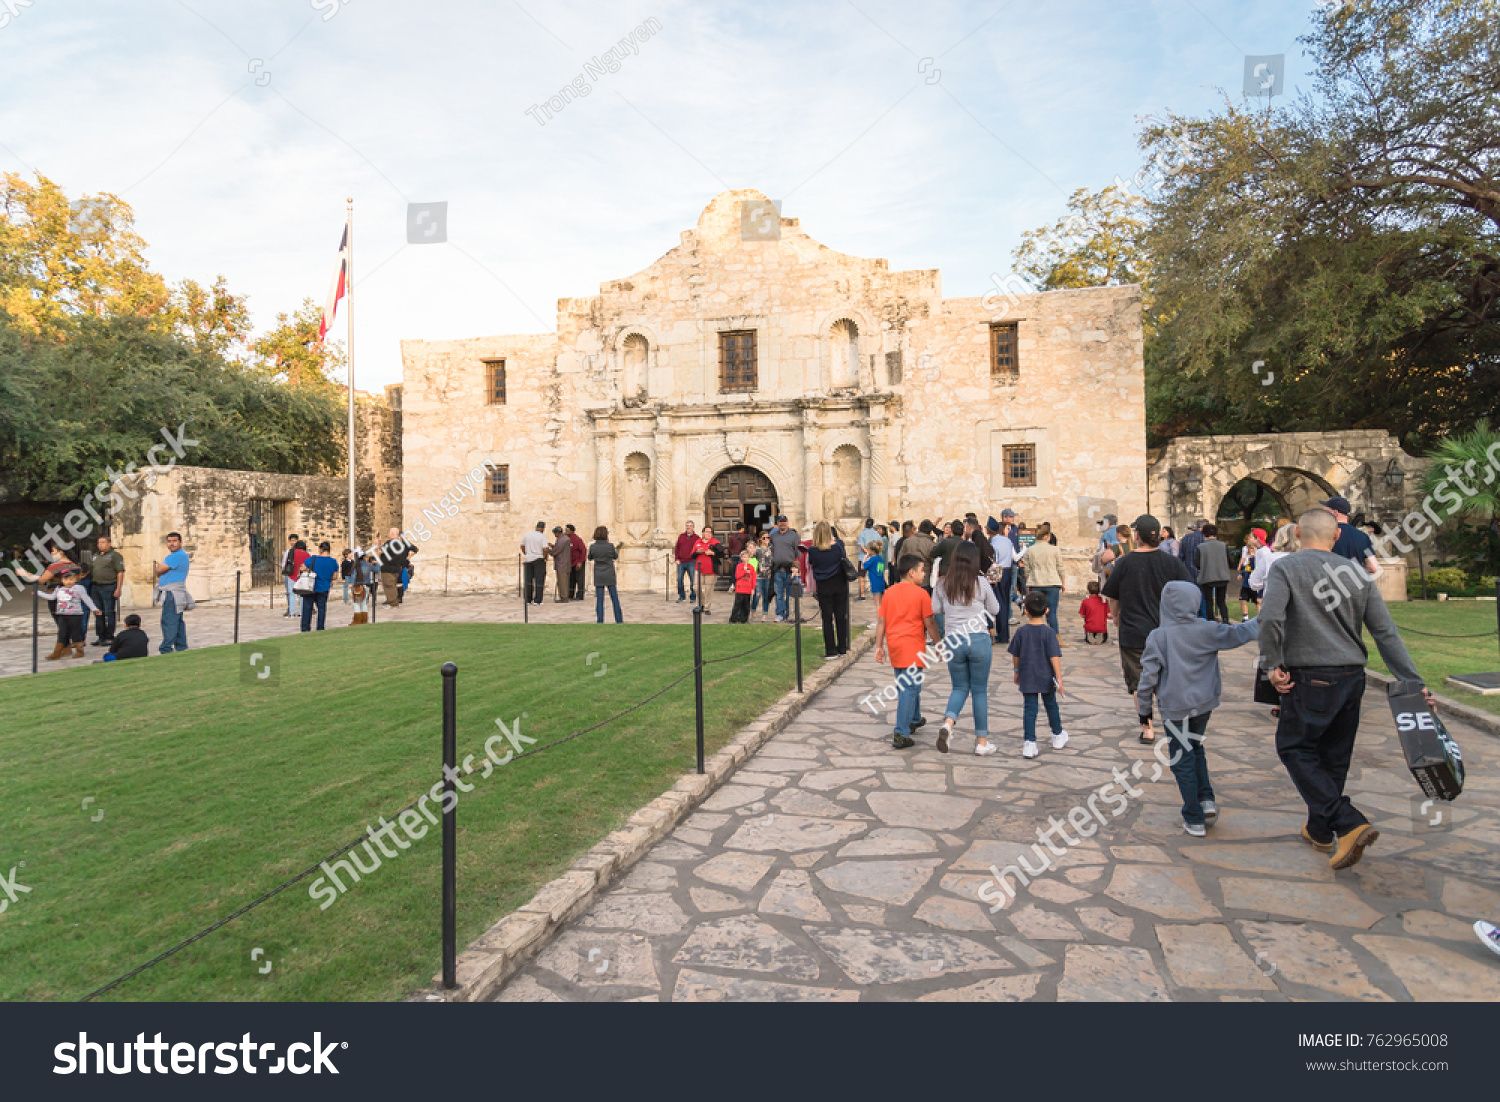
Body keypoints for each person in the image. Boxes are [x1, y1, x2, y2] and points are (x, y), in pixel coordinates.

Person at [1258, 507, 1429, 870]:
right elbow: (1385, 632)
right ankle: (1320, 830)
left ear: (1298, 536)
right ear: (1336, 536)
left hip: (1310, 677)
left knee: (1294, 747)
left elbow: (1270, 618)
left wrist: (1272, 664)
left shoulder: (1286, 568)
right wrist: (1412, 681)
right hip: (1351, 677)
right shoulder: (1355, 571)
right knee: (1334, 756)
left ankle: (1347, 822)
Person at [1136, 580, 1260, 837]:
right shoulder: (1208, 629)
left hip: (1175, 707)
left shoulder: (1159, 636)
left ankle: (1193, 817)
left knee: (1182, 759)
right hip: (1204, 704)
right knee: (1196, 747)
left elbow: (1147, 678)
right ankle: (1206, 800)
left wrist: (1144, 712)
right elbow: (1240, 633)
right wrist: (1267, 616)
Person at [1101, 514, 1192, 741]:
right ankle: (1173, 723)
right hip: (1167, 632)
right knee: (1166, 679)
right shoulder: (1172, 563)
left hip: (1133, 631)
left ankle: (1147, 728)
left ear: (1138, 536)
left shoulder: (1124, 563)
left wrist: (1116, 617)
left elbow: (1113, 596)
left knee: (1138, 682)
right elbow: (1189, 592)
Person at [932, 543, 1001, 756]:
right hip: (978, 638)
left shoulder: (943, 584)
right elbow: (995, 609)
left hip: (954, 640)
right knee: (979, 690)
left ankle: (948, 724)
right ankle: (981, 742)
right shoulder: (980, 582)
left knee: (959, 687)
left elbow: (935, 610)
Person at [873, 555, 940, 750]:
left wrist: (879, 646)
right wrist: (939, 643)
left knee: (909, 685)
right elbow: (930, 622)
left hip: (895, 646)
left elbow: (881, 622)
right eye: (921, 570)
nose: (924, 573)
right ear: (911, 572)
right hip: (913, 647)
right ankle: (901, 732)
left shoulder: (889, 593)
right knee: (909, 689)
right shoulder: (921, 595)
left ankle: (915, 718)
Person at [1008, 589, 1069, 758]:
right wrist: (1059, 678)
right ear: (1046, 610)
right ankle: (1057, 735)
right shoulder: (1049, 633)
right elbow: (1054, 657)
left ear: (1025, 610)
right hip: (1046, 677)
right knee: (1051, 706)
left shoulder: (1021, 632)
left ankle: (1029, 743)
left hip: (1027, 675)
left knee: (1030, 709)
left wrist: (1016, 671)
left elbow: (1016, 655)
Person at [806, 520, 852, 656]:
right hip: (839, 584)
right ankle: (842, 647)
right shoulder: (838, 546)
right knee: (840, 616)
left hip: (823, 586)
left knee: (827, 619)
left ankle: (830, 650)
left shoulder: (813, 551)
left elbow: (812, 564)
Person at [38, 565, 98, 659]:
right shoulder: (59, 589)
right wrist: (38, 593)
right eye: (66, 580)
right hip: (62, 615)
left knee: (76, 633)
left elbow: (87, 599)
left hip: (75, 615)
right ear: (62, 580)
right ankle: (57, 653)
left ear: (75, 580)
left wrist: (94, 609)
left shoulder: (79, 588)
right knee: (62, 633)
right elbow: (52, 597)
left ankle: (79, 651)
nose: (69, 582)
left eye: (71, 579)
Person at [1020, 521, 1063, 635]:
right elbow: (1060, 568)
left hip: (1036, 583)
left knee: (1034, 611)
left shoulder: (1030, 550)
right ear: (1046, 536)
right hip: (1052, 582)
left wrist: (1029, 580)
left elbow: (1027, 569)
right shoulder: (1055, 549)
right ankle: (1055, 636)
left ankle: (1035, 635)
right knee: (1052, 612)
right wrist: (1063, 582)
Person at [154, 531, 192, 654]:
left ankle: (166, 648)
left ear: (180, 542)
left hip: (172, 593)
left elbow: (159, 570)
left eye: (175, 541)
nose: (172, 544)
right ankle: (181, 647)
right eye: (169, 541)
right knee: (178, 621)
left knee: (169, 620)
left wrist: (159, 569)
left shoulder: (176, 556)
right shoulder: (177, 556)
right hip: (175, 593)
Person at [1323, 495, 1379, 576]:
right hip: (1355, 585)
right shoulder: (1363, 537)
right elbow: (1373, 567)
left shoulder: (1323, 535)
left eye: (1326, 511)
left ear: (1335, 513)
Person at [86, 535, 124, 645]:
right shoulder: (95, 556)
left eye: (103, 542)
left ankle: (109, 637)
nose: (100, 545)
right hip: (96, 587)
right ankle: (100, 636)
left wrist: (118, 588)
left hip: (109, 586)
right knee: (98, 612)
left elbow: (120, 572)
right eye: (99, 543)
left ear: (109, 543)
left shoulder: (115, 556)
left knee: (109, 612)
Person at [986, 516, 1017, 643]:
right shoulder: (1007, 541)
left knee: (997, 603)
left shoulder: (992, 542)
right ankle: (1004, 634)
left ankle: (999, 633)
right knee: (1005, 602)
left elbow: (994, 560)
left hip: (997, 571)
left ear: (989, 530)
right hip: (1008, 571)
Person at [1195, 523, 1233, 623]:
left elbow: (1197, 564)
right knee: (1221, 601)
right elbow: (1230, 561)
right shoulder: (1223, 545)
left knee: (1209, 601)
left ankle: (1211, 621)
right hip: (1222, 576)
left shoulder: (1200, 547)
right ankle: (1225, 619)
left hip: (1207, 577)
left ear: (1204, 534)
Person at [299, 541, 340, 631]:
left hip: (310, 587)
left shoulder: (313, 559)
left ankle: (305, 628)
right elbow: (335, 576)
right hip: (324, 588)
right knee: (321, 609)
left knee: (307, 608)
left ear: (321, 549)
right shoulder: (333, 562)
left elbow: (302, 568)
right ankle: (320, 627)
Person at [768, 514, 802, 622]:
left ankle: (787, 614)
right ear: (777, 523)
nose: (782, 523)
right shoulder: (773, 536)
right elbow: (770, 550)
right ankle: (780, 614)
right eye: (780, 521)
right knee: (779, 594)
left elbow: (798, 553)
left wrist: (796, 567)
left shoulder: (794, 536)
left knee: (788, 594)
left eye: (784, 521)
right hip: (777, 569)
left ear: (787, 522)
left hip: (789, 569)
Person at [588, 526, 623, 624]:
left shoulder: (593, 546)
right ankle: (619, 619)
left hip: (599, 574)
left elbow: (590, 557)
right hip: (609, 573)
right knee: (614, 598)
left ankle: (600, 620)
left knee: (599, 599)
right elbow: (615, 556)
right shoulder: (610, 546)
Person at [1250, 523, 1296, 595]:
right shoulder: (1308, 557)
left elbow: (1254, 583)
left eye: (1251, 537)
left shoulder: (1268, 556)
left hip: (1273, 596)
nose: (1249, 539)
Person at [1236, 528, 1266, 622]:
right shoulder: (1248, 553)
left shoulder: (1263, 552)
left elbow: (1261, 569)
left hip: (1257, 582)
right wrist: (1241, 572)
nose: (1249, 538)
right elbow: (1246, 564)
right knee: (1243, 599)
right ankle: (1245, 618)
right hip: (1247, 580)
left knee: (1258, 601)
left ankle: (1260, 619)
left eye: (1252, 536)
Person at [694, 525, 722, 614]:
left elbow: (722, 553)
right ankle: (702, 604)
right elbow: (692, 555)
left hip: (711, 570)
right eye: (707, 531)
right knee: (696, 588)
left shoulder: (715, 542)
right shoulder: (697, 542)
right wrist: (697, 552)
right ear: (703, 533)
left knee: (708, 590)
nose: (708, 533)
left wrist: (713, 553)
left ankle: (706, 608)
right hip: (698, 569)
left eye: (710, 532)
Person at [378, 528, 409, 608]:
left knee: (388, 586)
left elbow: (382, 552)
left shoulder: (390, 543)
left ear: (392, 534)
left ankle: (393, 603)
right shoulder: (400, 544)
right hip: (396, 568)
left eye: (389, 532)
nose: (388, 534)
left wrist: (378, 545)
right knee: (392, 586)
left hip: (388, 568)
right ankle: (393, 601)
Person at [521, 521, 547, 605]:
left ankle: (528, 600)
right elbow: (545, 549)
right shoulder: (542, 536)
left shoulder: (527, 535)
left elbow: (522, 545)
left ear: (536, 527)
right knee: (539, 580)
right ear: (543, 528)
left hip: (528, 559)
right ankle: (537, 600)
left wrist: (526, 553)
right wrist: (545, 557)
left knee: (528, 580)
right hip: (539, 559)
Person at [862, 537, 887, 623]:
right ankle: (883, 619)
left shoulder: (872, 559)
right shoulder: (880, 558)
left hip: (875, 583)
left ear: (871, 550)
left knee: (877, 604)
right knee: (881, 603)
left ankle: (880, 621)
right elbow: (880, 571)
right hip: (881, 582)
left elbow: (863, 566)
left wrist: (865, 557)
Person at [730, 547, 757, 623]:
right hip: (740, 589)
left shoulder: (751, 567)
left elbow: (753, 578)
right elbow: (737, 576)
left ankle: (744, 619)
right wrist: (744, 571)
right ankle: (733, 619)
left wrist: (753, 588)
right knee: (737, 605)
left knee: (746, 606)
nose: (745, 558)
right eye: (744, 557)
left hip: (748, 589)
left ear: (749, 558)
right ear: (741, 558)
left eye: (747, 557)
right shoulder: (739, 566)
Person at [673, 521, 699, 603]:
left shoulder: (697, 537)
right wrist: (676, 559)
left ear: (693, 527)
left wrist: (696, 559)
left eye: (690, 526)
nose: (688, 527)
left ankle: (693, 597)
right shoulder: (681, 536)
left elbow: (698, 550)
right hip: (681, 562)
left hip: (691, 562)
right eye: (687, 526)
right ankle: (682, 596)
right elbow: (676, 548)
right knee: (679, 579)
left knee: (692, 580)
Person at [751, 532, 774, 621]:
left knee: (766, 596)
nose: (767, 539)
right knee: (757, 595)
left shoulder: (772, 548)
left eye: (768, 537)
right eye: (764, 538)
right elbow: (751, 559)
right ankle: (753, 611)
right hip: (759, 576)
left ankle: (765, 614)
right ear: (760, 539)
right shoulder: (757, 550)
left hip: (768, 576)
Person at [280, 534, 301, 617]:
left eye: (295, 540)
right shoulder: (287, 552)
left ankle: (297, 610)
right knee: (289, 593)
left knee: (299, 593)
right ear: (289, 541)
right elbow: (284, 563)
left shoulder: (299, 551)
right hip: (288, 573)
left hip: (296, 574)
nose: (293, 542)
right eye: (292, 540)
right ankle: (290, 609)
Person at [550, 526, 572, 602]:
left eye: (555, 533)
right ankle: (564, 596)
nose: (554, 535)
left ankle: (564, 597)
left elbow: (556, 551)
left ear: (558, 533)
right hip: (565, 563)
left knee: (562, 582)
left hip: (562, 564)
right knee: (564, 581)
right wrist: (553, 546)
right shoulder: (564, 538)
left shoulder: (562, 540)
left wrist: (549, 551)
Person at [567, 524, 587, 600]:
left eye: (567, 530)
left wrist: (580, 562)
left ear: (571, 531)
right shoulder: (566, 539)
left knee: (580, 579)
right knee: (571, 579)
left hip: (578, 562)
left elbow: (583, 550)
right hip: (571, 563)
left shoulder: (577, 539)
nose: (565, 531)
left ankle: (580, 595)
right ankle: (570, 594)